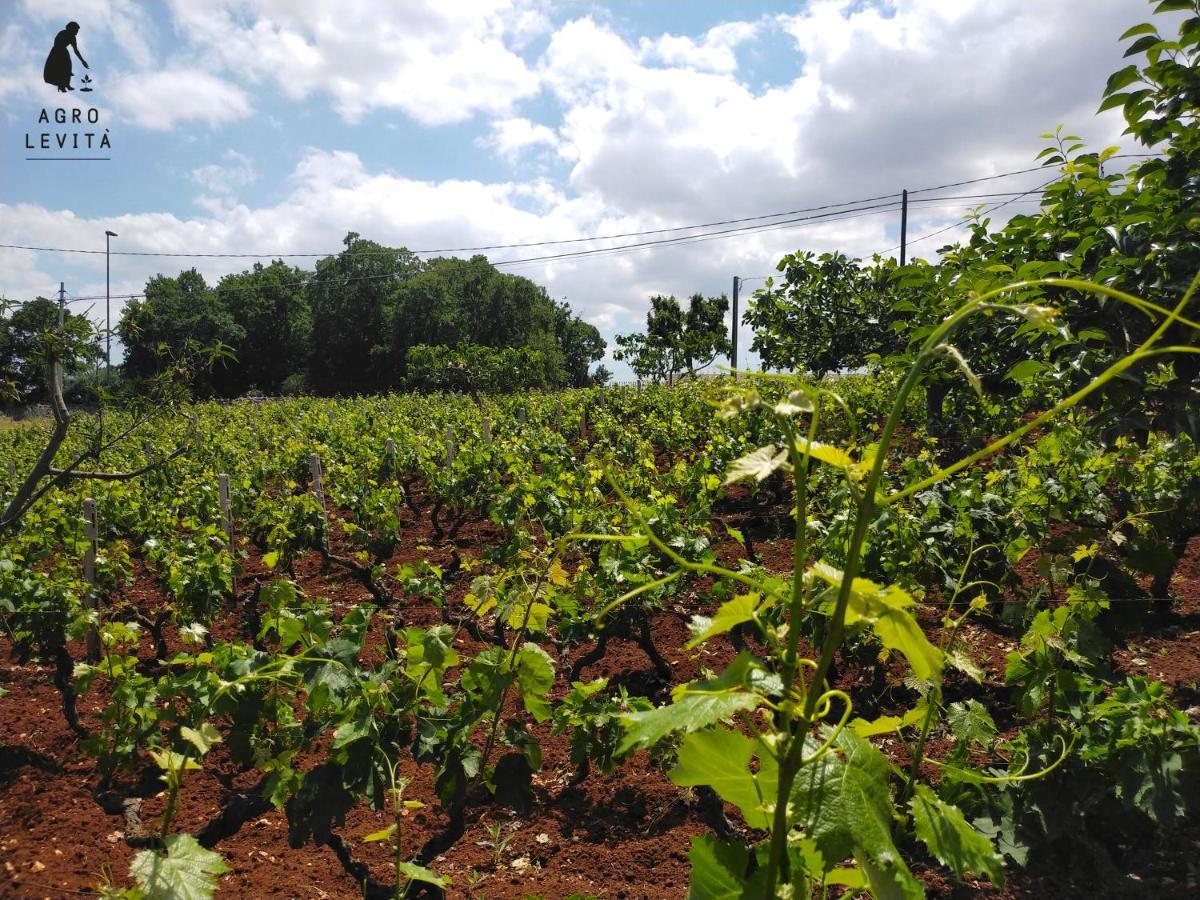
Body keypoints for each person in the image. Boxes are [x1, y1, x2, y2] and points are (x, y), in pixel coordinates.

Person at [44, 22, 88, 93]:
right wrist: (59, 54)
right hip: (57, 51)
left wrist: (82, 61)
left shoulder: (73, 37)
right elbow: (56, 43)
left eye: (77, 31)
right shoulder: (62, 33)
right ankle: (62, 85)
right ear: (71, 29)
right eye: (76, 30)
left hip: (64, 51)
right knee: (61, 68)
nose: (77, 32)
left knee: (68, 67)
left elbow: (76, 50)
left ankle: (66, 84)